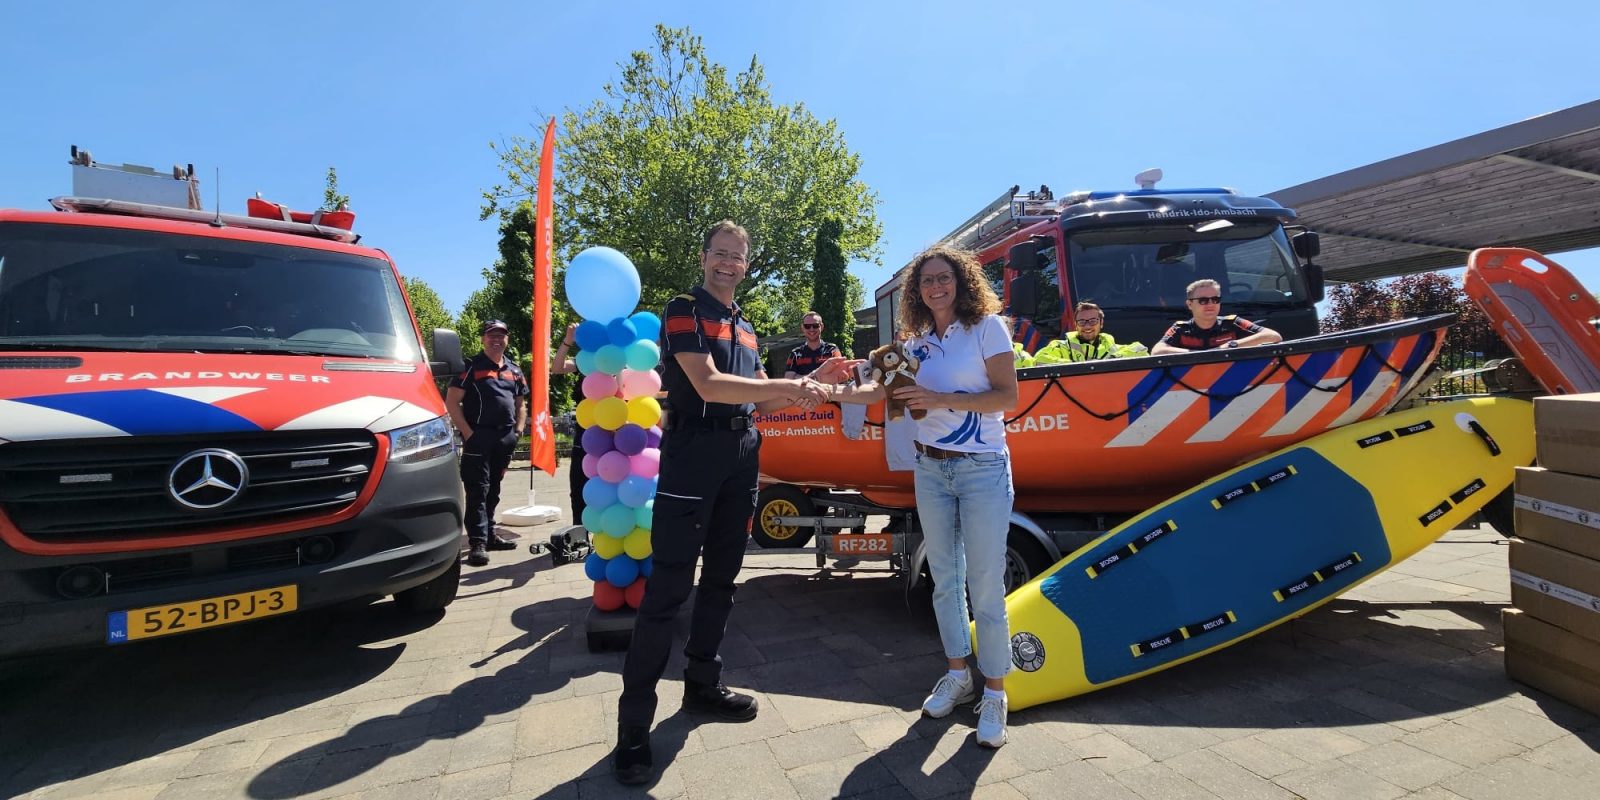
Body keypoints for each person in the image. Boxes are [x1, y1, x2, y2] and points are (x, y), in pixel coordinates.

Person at [613, 221, 854, 785]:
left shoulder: (745, 325)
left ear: (746, 265)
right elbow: (709, 385)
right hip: (693, 454)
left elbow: (763, 402)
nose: (728, 263)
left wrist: (813, 380)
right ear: (704, 258)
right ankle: (633, 729)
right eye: (720, 254)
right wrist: (790, 387)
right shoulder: (683, 310)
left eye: (737, 257)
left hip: (742, 454)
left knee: (722, 580)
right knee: (668, 590)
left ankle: (702, 684)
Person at [826, 244, 1019, 748]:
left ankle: (995, 692)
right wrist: (827, 391)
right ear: (916, 291)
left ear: (961, 281)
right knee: (945, 580)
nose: (936, 287)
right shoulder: (914, 342)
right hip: (930, 468)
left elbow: (1007, 396)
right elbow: (879, 393)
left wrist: (939, 399)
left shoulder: (987, 328)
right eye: (927, 280)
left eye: (943, 278)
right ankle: (958, 675)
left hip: (981, 468)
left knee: (985, 585)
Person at [445, 319, 529, 567]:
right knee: (477, 490)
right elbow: (452, 402)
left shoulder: (514, 370)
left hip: (505, 438)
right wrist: (469, 433)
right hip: (478, 437)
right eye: (492, 335)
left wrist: (518, 431)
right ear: (483, 339)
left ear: (507, 339)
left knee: (493, 489)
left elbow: (521, 404)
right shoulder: (470, 366)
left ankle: (490, 535)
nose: (496, 340)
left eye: (501, 335)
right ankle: (477, 543)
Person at [1150, 279, 1283, 354]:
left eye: (1215, 299)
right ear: (1190, 304)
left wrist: (1231, 345)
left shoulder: (1233, 323)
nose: (1210, 304)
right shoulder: (1180, 329)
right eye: (1203, 300)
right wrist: (1195, 354)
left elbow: (1273, 336)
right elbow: (1157, 351)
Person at [1030, 301, 1145, 364]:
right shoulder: (1060, 347)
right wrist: (1078, 367)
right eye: (1082, 322)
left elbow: (1141, 350)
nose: (1087, 326)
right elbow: (1039, 359)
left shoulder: (1111, 347)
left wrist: (1111, 360)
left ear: (1101, 323)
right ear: (1076, 325)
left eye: (1093, 321)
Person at [551, 322, 585, 524]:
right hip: (586, 434)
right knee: (578, 488)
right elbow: (557, 367)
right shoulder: (587, 359)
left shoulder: (623, 358)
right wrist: (568, 341)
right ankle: (579, 532)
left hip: (615, 434)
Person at [783, 311, 842, 378]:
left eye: (815, 326)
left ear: (822, 326)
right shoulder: (795, 354)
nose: (811, 329)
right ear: (803, 328)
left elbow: (839, 373)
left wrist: (799, 377)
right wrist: (815, 377)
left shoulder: (832, 350)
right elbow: (788, 377)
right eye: (807, 326)